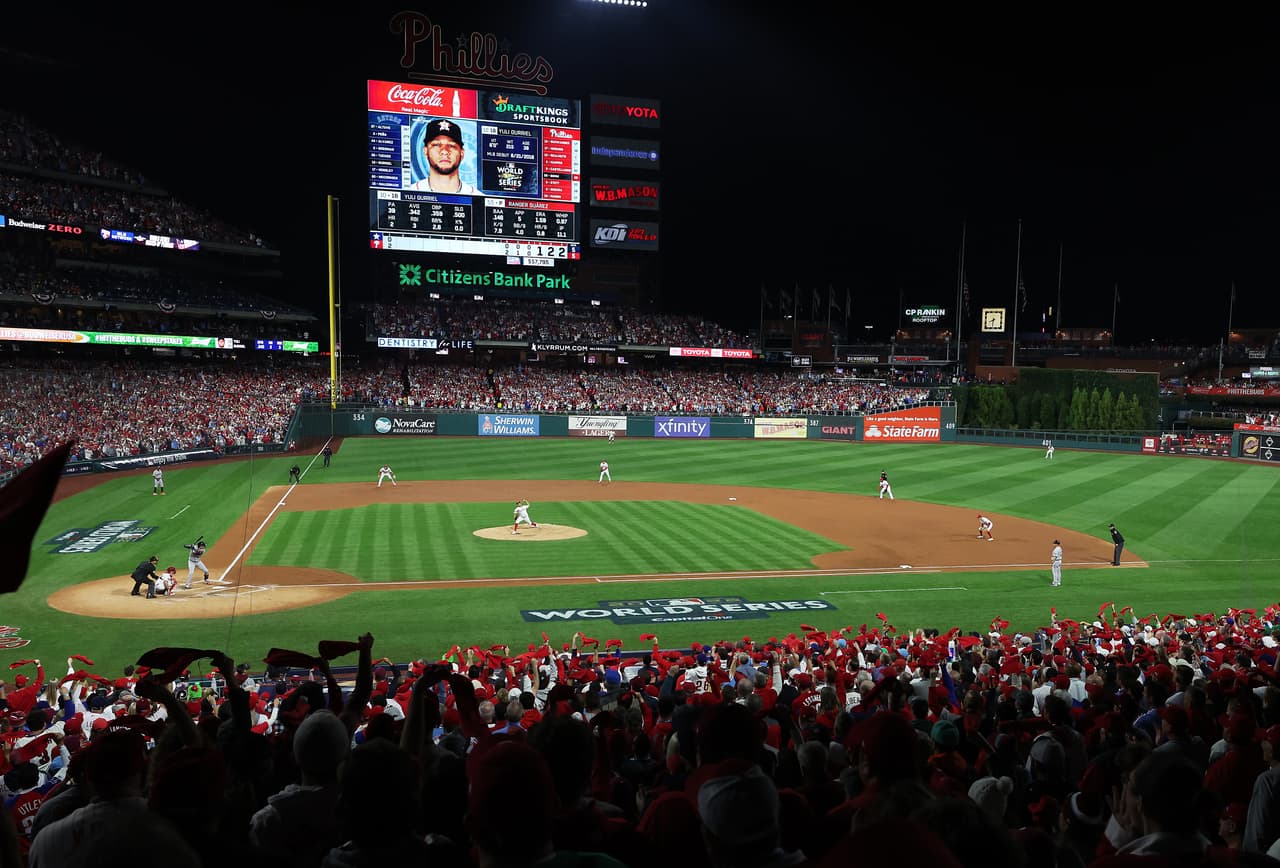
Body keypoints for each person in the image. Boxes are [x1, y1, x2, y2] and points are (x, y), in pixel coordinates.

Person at [407, 118, 478, 194]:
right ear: (425, 151)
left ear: (462, 153)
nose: (444, 151)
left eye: (451, 145)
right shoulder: (408, 195)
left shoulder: (478, 198)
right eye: (436, 145)